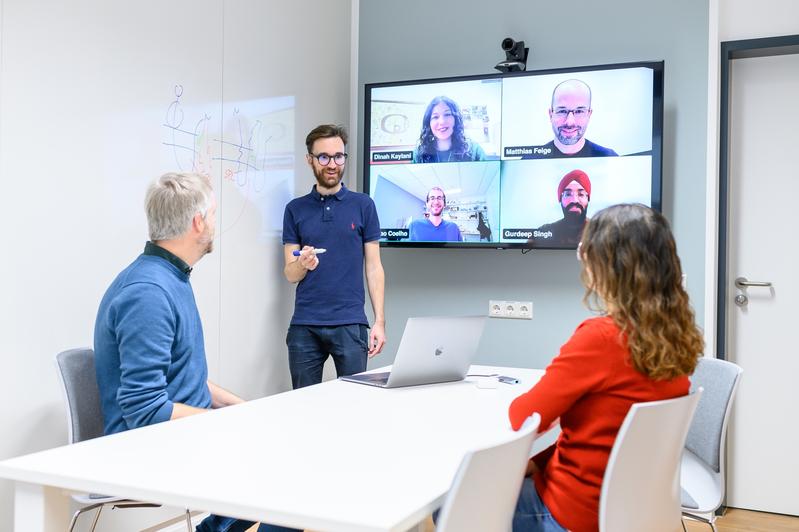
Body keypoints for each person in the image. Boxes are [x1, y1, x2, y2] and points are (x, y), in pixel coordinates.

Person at [94, 172, 293, 532]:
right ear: (198, 222)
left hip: (180, 436)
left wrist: (244, 410)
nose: (215, 224)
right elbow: (145, 409)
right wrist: (226, 423)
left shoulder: (170, 277)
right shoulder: (148, 294)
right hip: (149, 448)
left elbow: (187, 376)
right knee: (289, 472)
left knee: (281, 448)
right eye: (214, 215)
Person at [508, 203, 703, 532]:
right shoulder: (674, 335)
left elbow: (524, 418)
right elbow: (602, 434)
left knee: (452, 506)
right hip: (629, 511)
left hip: (574, 513)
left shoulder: (601, 337)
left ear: (607, 267)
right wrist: (537, 463)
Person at [282, 124, 386, 389]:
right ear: (310, 160)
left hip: (351, 324)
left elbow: (374, 267)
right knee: (303, 407)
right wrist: (302, 264)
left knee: (354, 406)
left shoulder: (364, 205)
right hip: (305, 325)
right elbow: (290, 274)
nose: (332, 164)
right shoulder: (295, 210)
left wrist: (379, 322)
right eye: (324, 157)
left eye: (338, 156)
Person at [529, 79, 617, 159]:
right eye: (562, 111)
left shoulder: (609, 158)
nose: (570, 122)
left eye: (579, 111)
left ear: (589, 115)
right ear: (550, 114)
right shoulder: (530, 160)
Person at [412, 96, 486, 163]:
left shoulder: (474, 151)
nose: (442, 122)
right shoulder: (419, 154)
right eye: (435, 117)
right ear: (429, 123)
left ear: (456, 119)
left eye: (447, 114)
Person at [533, 169, 592, 247]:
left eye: (581, 194)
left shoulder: (602, 231)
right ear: (560, 199)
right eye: (568, 194)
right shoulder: (545, 231)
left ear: (588, 199)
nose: (574, 200)